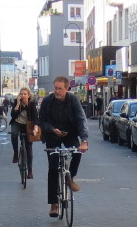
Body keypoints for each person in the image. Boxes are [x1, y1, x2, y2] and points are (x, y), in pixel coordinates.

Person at [37, 75, 88, 217]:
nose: (57, 91)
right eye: (55, 88)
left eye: (60, 89)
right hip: (52, 135)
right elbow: (41, 121)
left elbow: (81, 119)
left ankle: (70, 177)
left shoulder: (73, 100)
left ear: (67, 89)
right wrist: (52, 129)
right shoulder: (47, 101)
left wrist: (84, 140)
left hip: (69, 133)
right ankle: (53, 204)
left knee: (77, 152)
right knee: (53, 168)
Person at [9, 88, 37, 177]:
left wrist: (35, 128)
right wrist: (18, 104)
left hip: (27, 125)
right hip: (17, 123)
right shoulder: (17, 102)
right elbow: (12, 115)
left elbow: (35, 117)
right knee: (14, 134)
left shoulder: (31, 104)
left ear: (29, 95)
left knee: (29, 147)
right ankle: (16, 153)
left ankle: (30, 171)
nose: (23, 95)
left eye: (25, 94)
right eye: (21, 94)